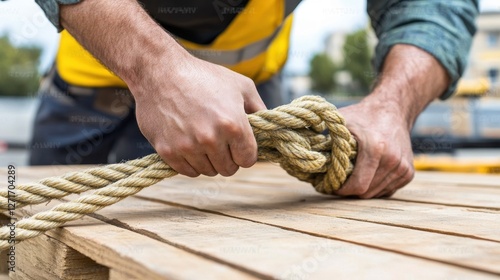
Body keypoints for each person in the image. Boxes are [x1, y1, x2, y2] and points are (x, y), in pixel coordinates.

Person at [31, 0, 478, 198]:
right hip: (96, 86)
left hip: (254, 99)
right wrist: (156, 71)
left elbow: (433, 4)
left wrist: (391, 106)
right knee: (34, 226)